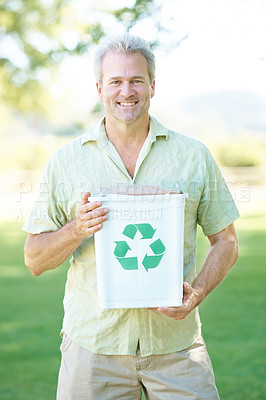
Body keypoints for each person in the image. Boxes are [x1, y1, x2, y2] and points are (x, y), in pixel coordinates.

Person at [23, 34, 239, 400]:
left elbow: (227, 242)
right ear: (99, 88)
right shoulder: (66, 162)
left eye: (137, 80)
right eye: (116, 81)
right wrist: (77, 229)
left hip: (176, 349)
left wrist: (197, 293)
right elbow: (34, 259)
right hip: (94, 348)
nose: (127, 91)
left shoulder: (193, 156)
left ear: (152, 86)